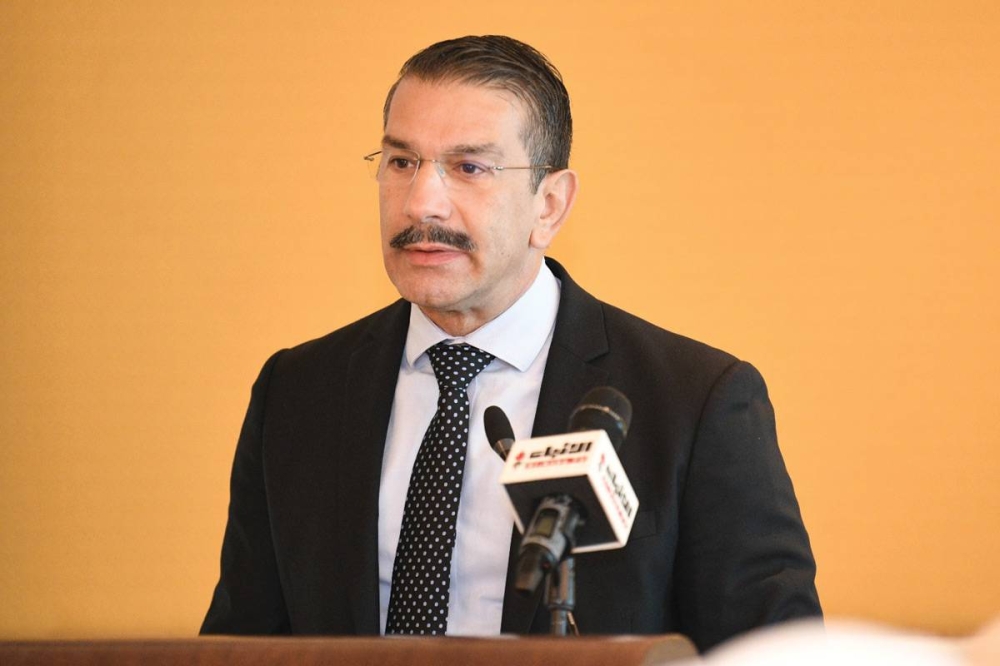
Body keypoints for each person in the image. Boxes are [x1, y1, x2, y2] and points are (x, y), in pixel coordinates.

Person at [200, 34, 821, 652]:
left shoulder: (694, 401)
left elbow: (776, 651)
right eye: (401, 162)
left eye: (469, 167)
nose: (421, 203)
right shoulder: (298, 392)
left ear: (549, 205)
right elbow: (241, 645)